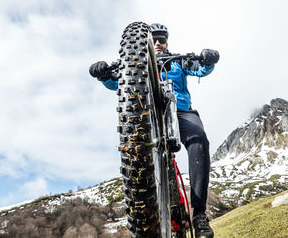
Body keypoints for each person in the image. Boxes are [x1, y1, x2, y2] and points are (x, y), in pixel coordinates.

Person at [89, 23, 219, 238]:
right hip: (147, 118)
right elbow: (118, 83)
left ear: (167, 42)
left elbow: (200, 68)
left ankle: (200, 215)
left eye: (162, 39)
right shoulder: (135, 63)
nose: (158, 43)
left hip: (180, 112)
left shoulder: (177, 60)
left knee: (199, 139)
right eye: (155, 39)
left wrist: (209, 60)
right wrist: (103, 75)